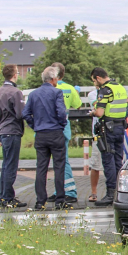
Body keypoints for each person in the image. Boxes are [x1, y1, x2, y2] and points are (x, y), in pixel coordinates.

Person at [22, 66, 68, 210]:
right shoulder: (57, 92)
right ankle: (60, 200)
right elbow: (61, 112)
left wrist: (35, 125)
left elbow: (25, 113)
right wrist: (62, 124)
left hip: (41, 134)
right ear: (54, 79)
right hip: (55, 132)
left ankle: (40, 201)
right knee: (59, 166)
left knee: (41, 168)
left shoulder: (34, 94)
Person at [90, 67, 128, 207]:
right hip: (120, 127)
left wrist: (92, 113)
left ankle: (110, 193)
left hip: (108, 129)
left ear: (98, 78)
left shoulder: (105, 90)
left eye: (94, 80)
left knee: (108, 161)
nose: (95, 83)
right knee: (118, 160)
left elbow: (100, 112)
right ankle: (120, 192)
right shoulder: (120, 88)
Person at [47, 62, 81, 204]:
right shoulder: (69, 89)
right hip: (64, 126)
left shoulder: (50, 88)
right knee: (61, 160)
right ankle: (60, 190)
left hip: (50, 126)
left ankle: (69, 191)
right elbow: (77, 105)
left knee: (60, 161)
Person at [0, 64, 27, 208]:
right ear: (15, 75)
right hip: (13, 131)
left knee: (5, 165)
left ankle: (3, 195)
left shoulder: (0, 90)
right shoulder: (16, 92)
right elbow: (20, 113)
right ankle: (8, 198)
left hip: (3, 131)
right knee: (11, 165)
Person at [86, 87, 103, 202]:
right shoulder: (93, 94)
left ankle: (113, 192)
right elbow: (97, 106)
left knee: (113, 165)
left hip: (111, 132)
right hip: (98, 134)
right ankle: (94, 192)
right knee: (95, 164)